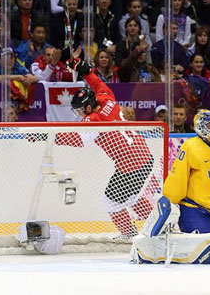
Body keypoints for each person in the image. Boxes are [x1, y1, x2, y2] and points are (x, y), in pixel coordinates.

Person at [133, 109, 210, 264]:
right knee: (206, 247)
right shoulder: (191, 147)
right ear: (201, 127)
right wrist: (170, 201)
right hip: (194, 209)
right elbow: (178, 177)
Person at [65, 57, 157, 239]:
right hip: (144, 157)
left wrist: (49, 135)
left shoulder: (93, 120)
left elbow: (78, 140)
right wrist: (86, 72)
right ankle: (157, 227)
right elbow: (98, 84)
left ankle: (129, 235)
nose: (80, 114)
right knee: (131, 197)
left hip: (131, 165)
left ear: (89, 107)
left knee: (110, 202)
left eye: (80, 110)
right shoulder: (107, 99)